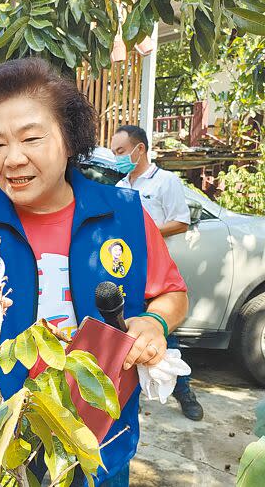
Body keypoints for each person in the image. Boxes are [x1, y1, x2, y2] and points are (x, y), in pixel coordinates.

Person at [0, 58, 189, 486]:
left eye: (31, 138)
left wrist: (155, 322)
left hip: (101, 441)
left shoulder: (124, 216)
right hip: (2, 444)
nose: (13, 159)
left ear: (69, 141)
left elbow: (173, 293)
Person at [111, 125, 203, 422]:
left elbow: (181, 221)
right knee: (128, 334)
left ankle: (184, 391)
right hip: (125, 272)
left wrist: (141, 231)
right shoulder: (119, 187)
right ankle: (127, 397)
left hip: (157, 272)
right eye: (114, 153)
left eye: (121, 152)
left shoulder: (166, 182)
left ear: (140, 149)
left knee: (163, 335)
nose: (118, 158)